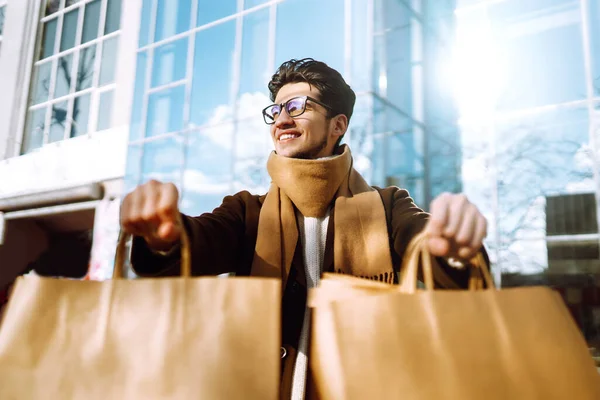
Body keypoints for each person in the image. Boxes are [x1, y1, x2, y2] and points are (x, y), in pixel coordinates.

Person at [120, 58, 488, 399]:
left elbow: (428, 246)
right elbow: (197, 242)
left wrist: (451, 244)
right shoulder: (247, 210)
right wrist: (162, 234)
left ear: (338, 125)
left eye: (298, 107)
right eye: (276, 110)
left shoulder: (388, 205)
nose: (282, 120)